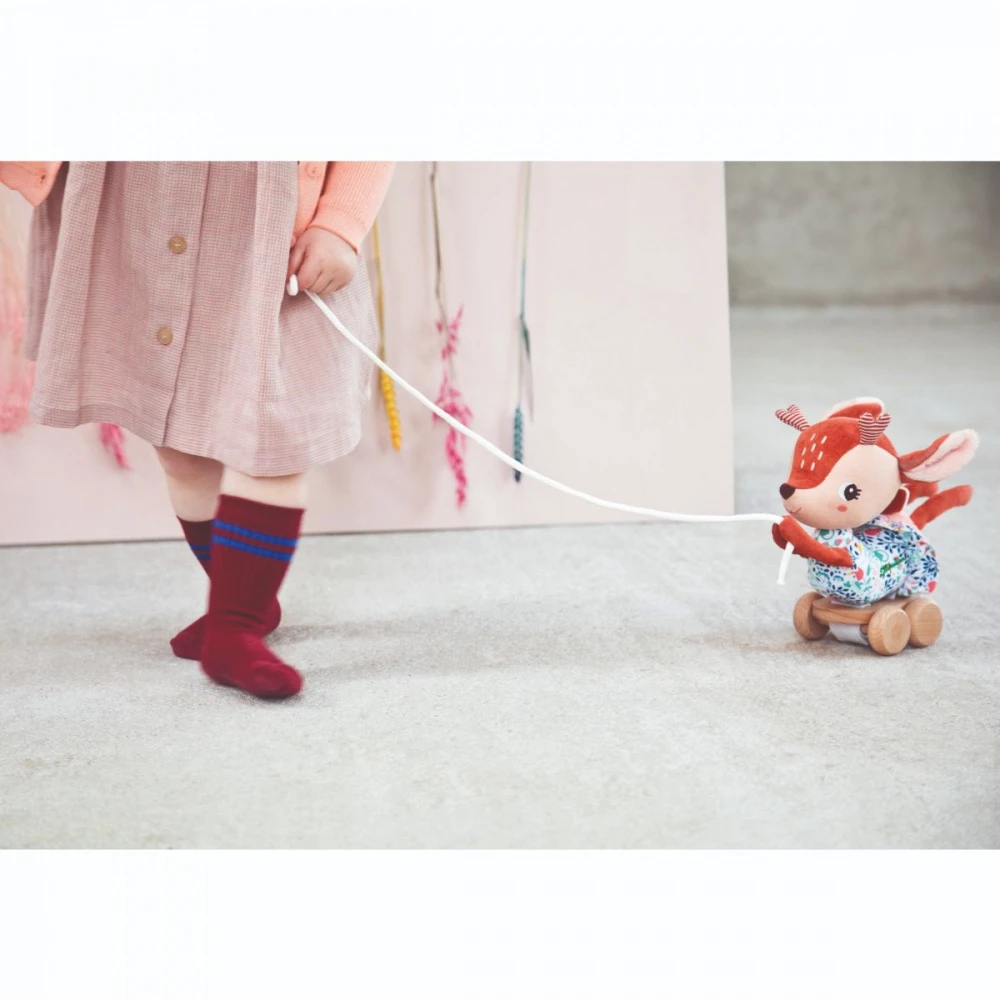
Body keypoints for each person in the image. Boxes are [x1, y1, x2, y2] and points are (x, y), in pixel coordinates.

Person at [0, 160, 394, 699]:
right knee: (177, 442)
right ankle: (247, 599)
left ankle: (235, 627)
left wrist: (341, 222)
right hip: (139, 200)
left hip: (270, 220)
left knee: (271, 438)